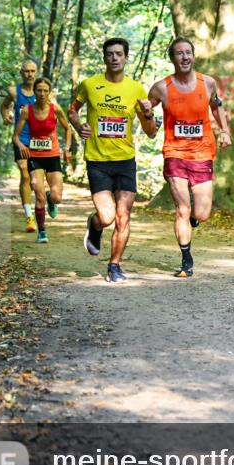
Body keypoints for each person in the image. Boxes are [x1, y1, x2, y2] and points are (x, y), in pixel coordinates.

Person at [69, 38, 155, 282]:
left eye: (119, 54)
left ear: (126, 57)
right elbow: (73, 110)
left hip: (125, 160)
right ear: (104, 58)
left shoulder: (136, 89)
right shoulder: (89, 85)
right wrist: (79, 127)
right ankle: (95, 225)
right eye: (110, 54)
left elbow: (150, 131)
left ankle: (114, 265)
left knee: (123, 216)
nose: (115, 58)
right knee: (107, 217)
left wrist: (149, 113)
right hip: (97, 160)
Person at [147, 37, 232, 278]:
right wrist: (147, 114)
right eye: (179, 53)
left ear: (193, 56)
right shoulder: (161, 88)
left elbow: (216, 105)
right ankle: (186, 259)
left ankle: (194, 220)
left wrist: (225, 130)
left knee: (201, 213)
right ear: (172, 58)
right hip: (174, 154)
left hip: (202, 153)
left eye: (188, 53)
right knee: (182, 209)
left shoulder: (208, 83)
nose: (184, 57)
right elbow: (147, 117)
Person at [12, 77, 73, 244]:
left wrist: (67, 148)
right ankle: (42, 232)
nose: (42, 93)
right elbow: (16, 136)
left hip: (52, 156)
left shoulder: (55, 109)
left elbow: (68, 129)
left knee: (56, 197)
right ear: (34, 92)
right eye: (39, 90)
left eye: (45, 91)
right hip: (35, 157)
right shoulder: (27, 111)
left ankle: (51, 199)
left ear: (49, 92)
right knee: (39, 196)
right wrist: (21, 146)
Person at [1, 60, 39, 232]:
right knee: (24, 173)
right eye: (26, 71)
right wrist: (6, 116)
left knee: (36, 180)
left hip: (40, 141)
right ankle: (29, 217)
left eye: (32, 71)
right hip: (20, 139)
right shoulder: (14, 92)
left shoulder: (42, 91)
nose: (29, 74)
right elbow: (4, 105)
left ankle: (47, 197)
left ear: (36, 72)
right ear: (21, 73)